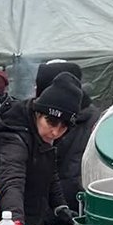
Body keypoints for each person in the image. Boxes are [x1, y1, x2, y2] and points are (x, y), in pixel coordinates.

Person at [0, 71, 83, 225]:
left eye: (64, 127)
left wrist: (60, 206)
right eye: (51, 122)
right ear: (38, 113)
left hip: (31, 217)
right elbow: (12, 183)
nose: (55, 132)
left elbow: (50, 171)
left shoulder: (42, 134)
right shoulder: (14, 136)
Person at [35, 62, 97, 214]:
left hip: (66, 207)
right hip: (68, 206)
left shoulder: (81, 122)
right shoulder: (92, 117)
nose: (56, 132)